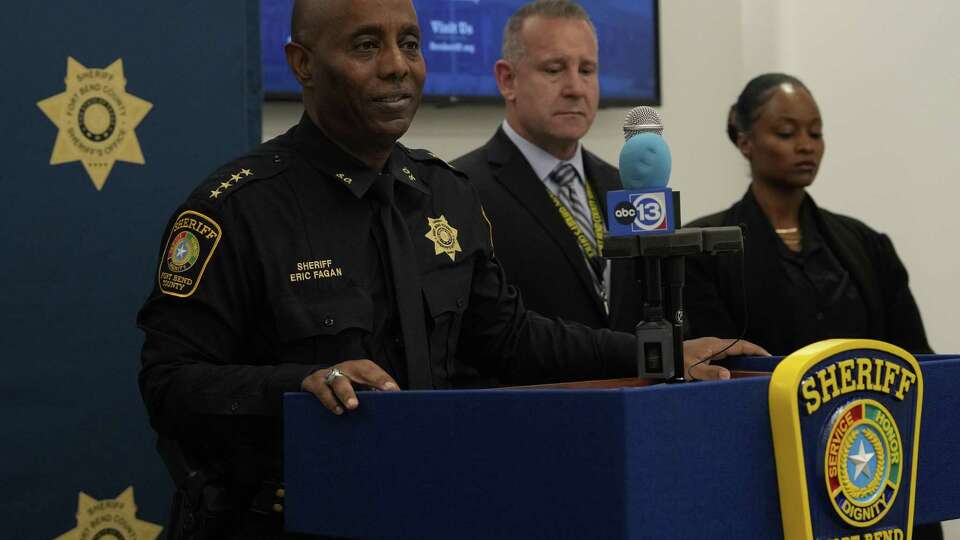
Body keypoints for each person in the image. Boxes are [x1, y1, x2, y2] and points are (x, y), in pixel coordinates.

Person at [136, 1, 765, 538]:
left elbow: (511, 338)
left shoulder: (443, 194)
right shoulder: (235, 209)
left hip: (431, 510)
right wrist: (302, 383)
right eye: (365, 45)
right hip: (280, 521)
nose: (397, 66)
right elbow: (168, 383)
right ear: (303, 64)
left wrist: (654, 355)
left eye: (409, 43)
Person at [684, 73, 931, 357]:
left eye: (815, 133)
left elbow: (916, 356)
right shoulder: (702, 251)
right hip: (757, 400)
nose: (806, 146)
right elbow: (712, 366)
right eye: (786, 133)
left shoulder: (867, 244)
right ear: (745, 142)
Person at [452, 0, 643, 335]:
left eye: (587, 70)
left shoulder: (624, 186)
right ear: (507, 79)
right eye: (554, 70)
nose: (575, 89)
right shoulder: (461, 188)